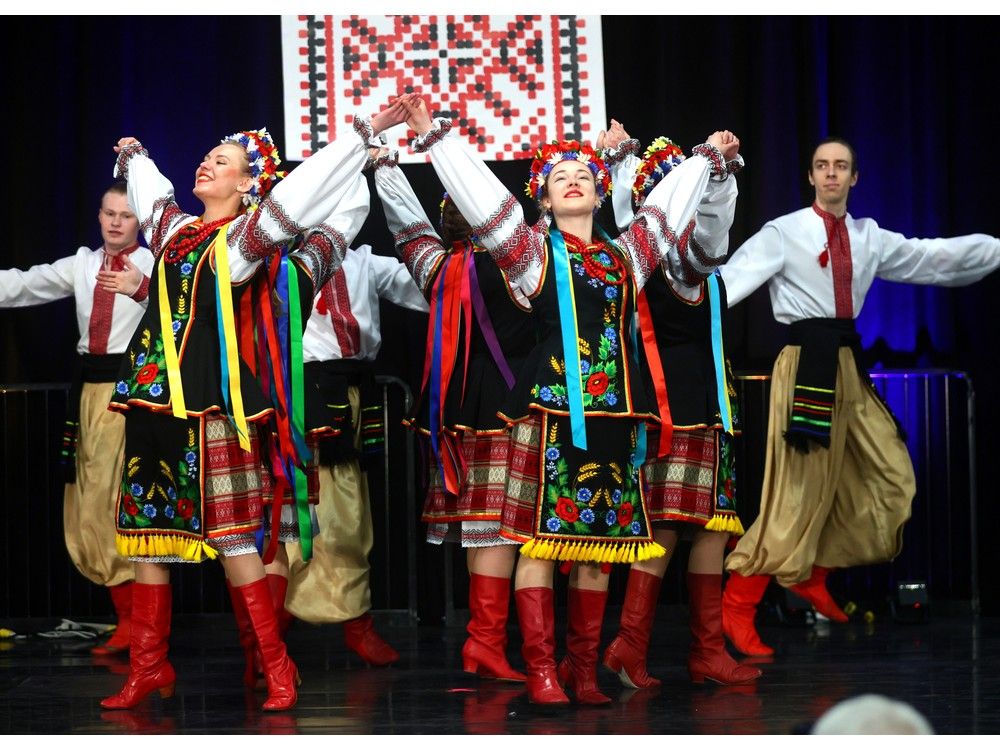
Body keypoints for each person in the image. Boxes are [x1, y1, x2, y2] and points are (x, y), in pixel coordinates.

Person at [401, 92, 737, 704]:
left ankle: (583, 669)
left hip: (613, 418)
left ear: (600, 189)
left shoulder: (625, 257)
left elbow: (665, 209)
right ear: (545, 199)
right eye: (561, 178)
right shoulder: (530, 255)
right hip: (548, 417)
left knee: (597, 546)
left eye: (584, 174)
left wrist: (705, 163)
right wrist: (439, 141)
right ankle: (542, 669)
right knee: (539, 541)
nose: (574, 182)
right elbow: (485, 202)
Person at [99, 103, 408, 711]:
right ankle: (148, 667)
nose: (206, 164)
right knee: (148, 539)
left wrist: (361, 142)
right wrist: (133, 156)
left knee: (236, 537)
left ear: (247, 184)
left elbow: (305, 200)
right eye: (207, 157)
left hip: (215, 405)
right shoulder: (174, 233)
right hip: (151, 401)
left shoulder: (244, 239)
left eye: (222, 161)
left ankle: (276, 665)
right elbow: (155, 196)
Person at [719, 137, 1000, 656]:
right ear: (810, 177)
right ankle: (737, 605)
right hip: (807, 366)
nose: (831, 174)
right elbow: (727, 284)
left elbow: (932, 258)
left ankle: (813, 573)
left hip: (847, 364)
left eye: (840, 166)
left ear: (855, 178)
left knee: (888, 473)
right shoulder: (784, 232)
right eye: (822, 166)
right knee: (798, 491)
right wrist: (675, 312)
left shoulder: (868, 237)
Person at [599, 128, 760, 687]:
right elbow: (702, 235)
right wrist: (701, 170)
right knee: (665, 528)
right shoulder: (664, 261)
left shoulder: (688, 255)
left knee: (713, 528)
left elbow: (713, 228)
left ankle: (705, 649)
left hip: (713, 409)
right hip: (676, 409)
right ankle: (629, 643)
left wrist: (718, 176)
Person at [374, 149, 535, 682]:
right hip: (507, 405)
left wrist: (388, 172)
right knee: (496, 529)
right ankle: (487, 642)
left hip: (460, 406)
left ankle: (484, 642)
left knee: (483, 527)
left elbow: (408, 228)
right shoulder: (523, 258)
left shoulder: (438, 265)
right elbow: (412, 228)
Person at [0, 181, 153, 655]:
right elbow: (26, 283)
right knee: (90, 501)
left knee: (119, 502)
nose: (114, 222)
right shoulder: (84, 264)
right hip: (89, 393)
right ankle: (127, 618)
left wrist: (140, 287)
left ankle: (141, 627)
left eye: (125, 215)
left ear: (140, 221)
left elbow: (183, 306)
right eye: (108, 213)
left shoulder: (153, 263)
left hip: (133, 394)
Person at [279, 224, 429, 668]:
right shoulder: (281, 263)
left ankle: (355, 624)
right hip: (300, 391)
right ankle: (267, 637)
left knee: (349, 507)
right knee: (293, 509)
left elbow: (425, 289)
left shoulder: (365, 261)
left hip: (352, 392)